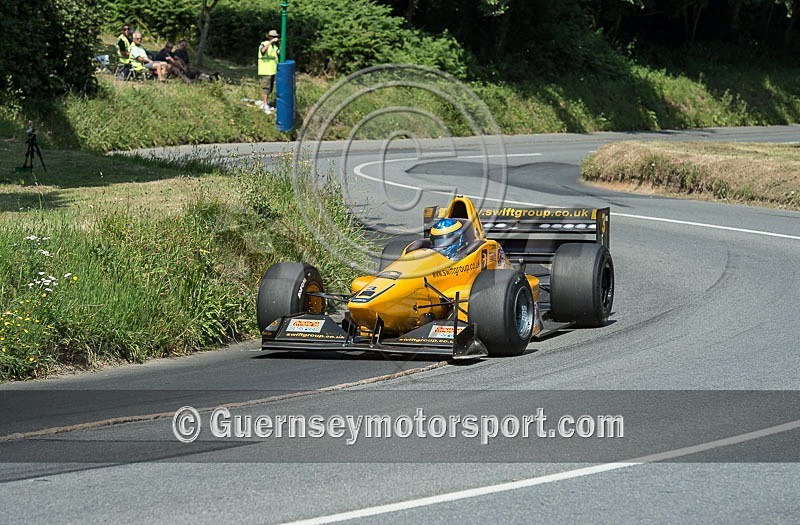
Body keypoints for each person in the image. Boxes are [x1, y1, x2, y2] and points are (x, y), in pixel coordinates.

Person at [258, 29, 280, 113]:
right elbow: (262, 51)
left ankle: (266, 102)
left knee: (270, 88)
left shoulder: (275, 46)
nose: (276, 38)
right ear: (270, 37)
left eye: (276, 37)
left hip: (273, 69)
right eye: (274, 37)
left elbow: (279, 53)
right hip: (266, 69)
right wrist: (270, 42)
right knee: (266, 87)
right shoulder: (264, 43)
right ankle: (264, 104)